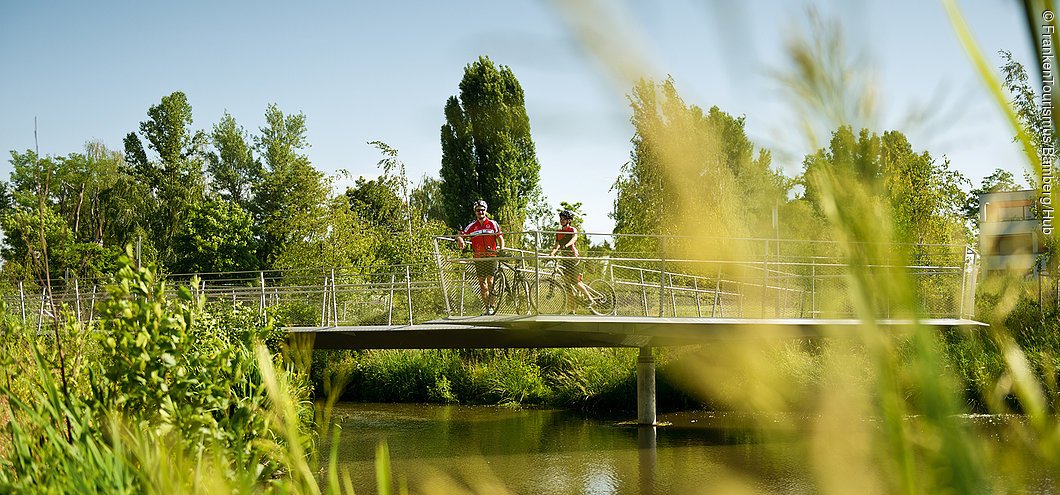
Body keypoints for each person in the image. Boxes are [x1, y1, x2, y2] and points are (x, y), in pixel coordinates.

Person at [456, 199, 504, 315]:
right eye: (478, 211)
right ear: (475, 212)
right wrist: (460, 240)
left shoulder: (493, 223)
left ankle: (492, 306)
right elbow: (460, 234)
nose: (480, 212)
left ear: (485, 211)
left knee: (491, 282)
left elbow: (500, 237)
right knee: (482, 284)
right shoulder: (472, 226)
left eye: (482, 210)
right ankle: (487, 307)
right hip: (479, 257)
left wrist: (501, 250)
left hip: (491, 256)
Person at [549, 209, 593, 314]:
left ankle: (590, 298)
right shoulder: (558, 232)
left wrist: (567, 245)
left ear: (569, 220)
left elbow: (574, 238)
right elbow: (556, 245)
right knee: (568, 287)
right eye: (560, 218)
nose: (561, 220)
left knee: (575, 281)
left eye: (564, 219)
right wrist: (552, 253)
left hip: (573, 258)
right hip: (565, 260)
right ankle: (572, 310)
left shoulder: (572, 229)